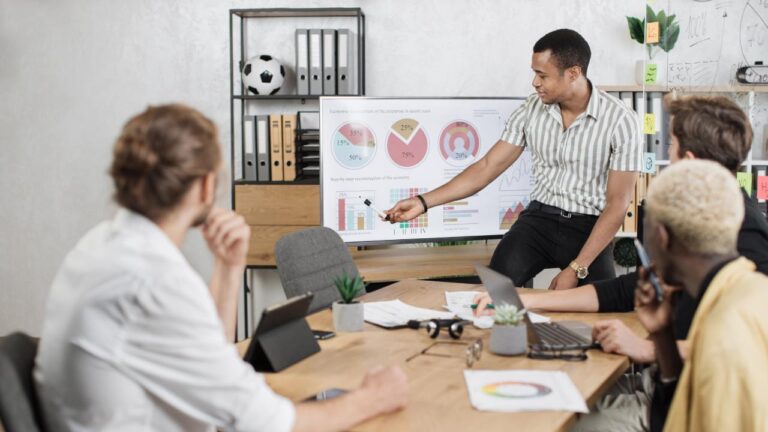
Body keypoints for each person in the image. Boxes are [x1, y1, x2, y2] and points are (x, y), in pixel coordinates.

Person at [34, 104, 408, 432]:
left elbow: (214, 354)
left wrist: (229, 268)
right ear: (205, 186)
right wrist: (372, 398)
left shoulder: (104, 247)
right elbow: (265, 422)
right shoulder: (154, 280)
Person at [386, 29, 642, 290]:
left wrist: (577, 268)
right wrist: (422, 202)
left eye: (543, 75)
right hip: (539, 220)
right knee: (495, 293)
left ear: (573, 73)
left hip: (589, 227)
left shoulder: (621, 120)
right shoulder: (531, 109)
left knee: (605, 307)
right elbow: (487, 167)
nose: (535, 82)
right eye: (534, 73)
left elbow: (617, 204)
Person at [635, 159, 768, 431]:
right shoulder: (747, 288)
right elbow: (682, 415)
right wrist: (664, 338)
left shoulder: (724, 332)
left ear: (661, 237)